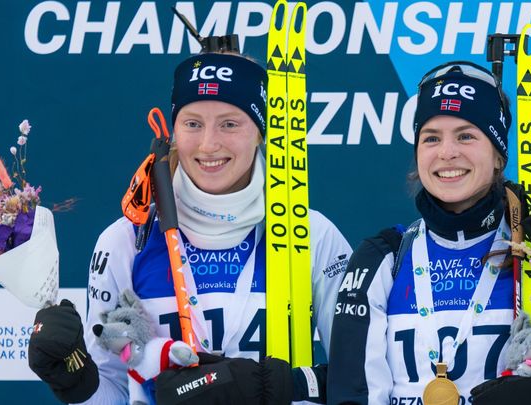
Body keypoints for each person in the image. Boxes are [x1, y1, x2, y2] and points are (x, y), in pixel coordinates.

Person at [26, 49, 352, 404]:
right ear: (173, 132)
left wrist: (276, 384)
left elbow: (360, 379)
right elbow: (113, 390)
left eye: (229, 124)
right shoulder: (128, 240)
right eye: (193, 124)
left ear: (260, 132)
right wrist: (77, 383)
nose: (209, 144)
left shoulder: (310, 235)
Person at [327, 61, 531, 405]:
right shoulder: (382, 258)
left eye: (466, 136)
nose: (447, 152)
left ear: (499, 155)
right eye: (431, 138)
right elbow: (351, 395)